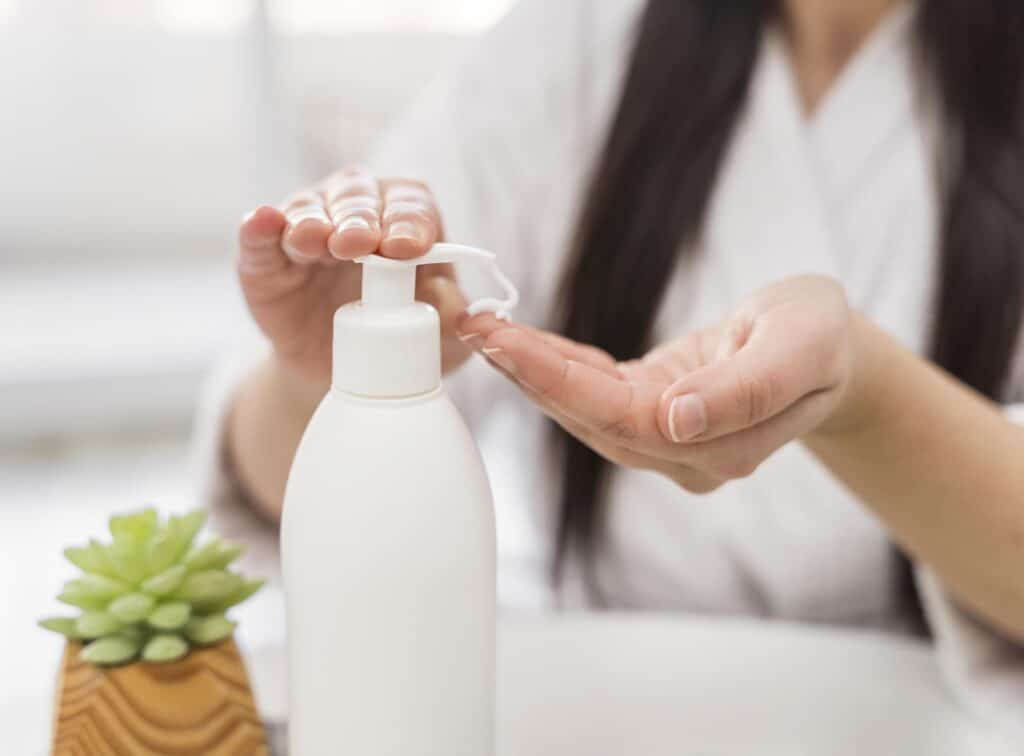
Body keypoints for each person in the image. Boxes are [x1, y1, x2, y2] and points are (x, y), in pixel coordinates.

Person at [193, 0, 1024, 739]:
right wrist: (324, 373)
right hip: (598, 707)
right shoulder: (576, 40)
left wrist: (862, 393)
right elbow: (275, 483)